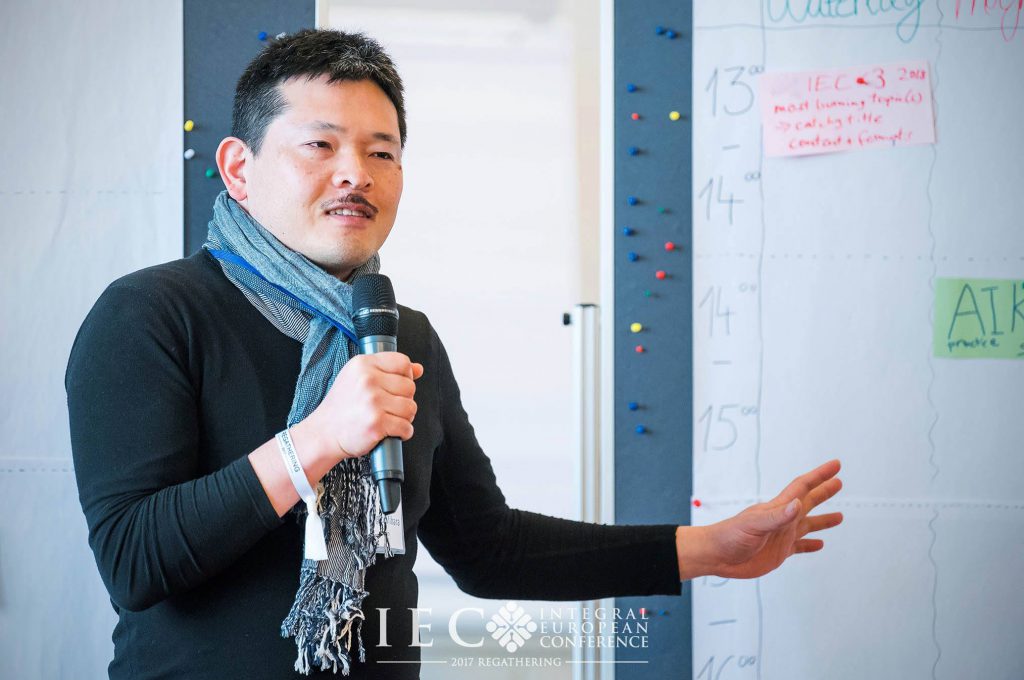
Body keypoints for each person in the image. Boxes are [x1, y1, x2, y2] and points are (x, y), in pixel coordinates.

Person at [65, 29, 843, 679]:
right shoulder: (151, 314)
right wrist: (318, 440)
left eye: (382, 152)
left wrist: (705, 550)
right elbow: (134, 561)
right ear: (239, 168)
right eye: (321, 145)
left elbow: (488, 550)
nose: (355, 173)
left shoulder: (400, 334)